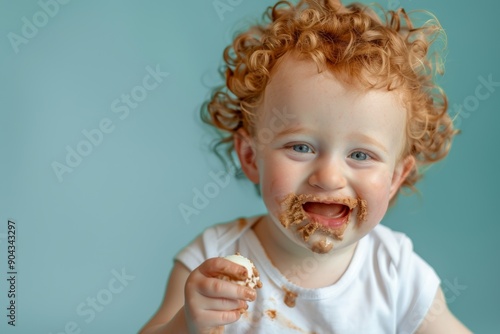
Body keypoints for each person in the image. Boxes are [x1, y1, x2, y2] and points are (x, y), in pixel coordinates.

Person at [140, 0, 472, 332]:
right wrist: (185, 324)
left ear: (396, 176)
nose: (328, 177)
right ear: (251, 157)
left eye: (360, 155)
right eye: (301, 147)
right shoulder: (213, 260)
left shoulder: (398, 273)